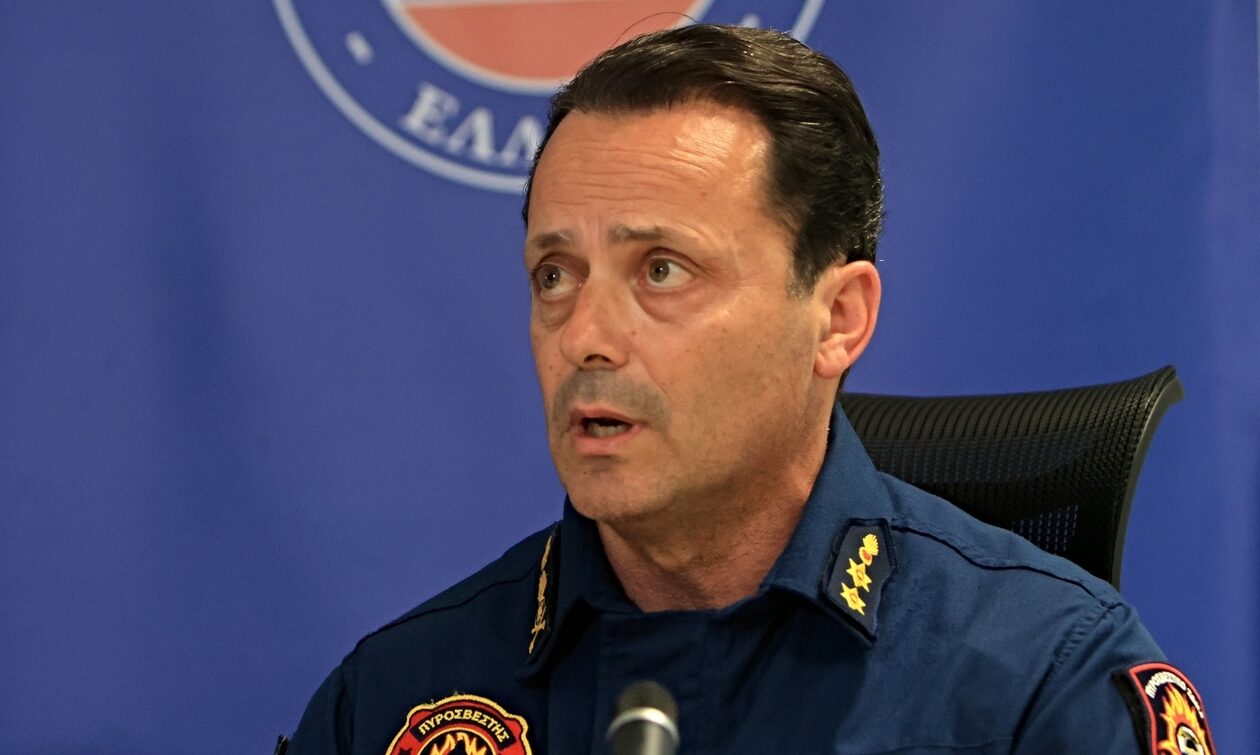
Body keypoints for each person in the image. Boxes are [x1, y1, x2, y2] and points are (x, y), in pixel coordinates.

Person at [287, 24, 1214, 755]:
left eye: (661, 270)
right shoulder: (401, 697)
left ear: (838, 317)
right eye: (555, 275)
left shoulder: (1046, 681)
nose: (585, 335)